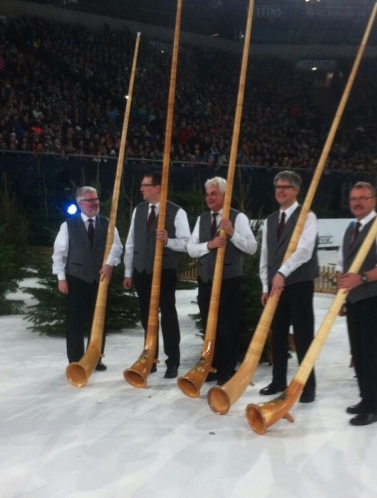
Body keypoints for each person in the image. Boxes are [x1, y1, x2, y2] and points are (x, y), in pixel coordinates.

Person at [336, 181, 377, 426]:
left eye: (363, 198)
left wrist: (361, 278)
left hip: (375, 296)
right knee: (358, 352)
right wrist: (341, 295)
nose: (357, 202)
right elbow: (342, 265)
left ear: (374, 201)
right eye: (353, 198)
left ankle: (373, 407)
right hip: (354, 297)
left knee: (370, 353)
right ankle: (365, 399)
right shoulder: (350, 229)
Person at [187, 176, 258, 384]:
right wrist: (209, 245)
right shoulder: (202, 219)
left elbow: (252, 247)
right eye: (207, 194)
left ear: (224, 196)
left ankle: (228, 368)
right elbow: (191, 249)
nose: (209, 198)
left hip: (229, 280)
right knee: (210, 325)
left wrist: (232, 233)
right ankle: (213, 365)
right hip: (206, 280)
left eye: (214, 194)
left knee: (228, 326)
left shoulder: (238, 217)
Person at [123, 172, 190, 378]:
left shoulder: (177, 212)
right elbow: (131, 241)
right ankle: (149, 357)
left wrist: (169, 240)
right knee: (146, 316)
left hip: (164, 271)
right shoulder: (139, 210)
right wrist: (128, 271)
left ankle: (173, 361)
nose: (142, 189)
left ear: (158, 188)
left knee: (168, 315)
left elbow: (187, 243)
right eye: (142, 185)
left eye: (146, 185)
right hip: (142, 270)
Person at [259, 170, 318, 403]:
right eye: (277, 187)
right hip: (275, 286)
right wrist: (265, 285)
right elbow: (266, 255)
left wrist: (283, 272)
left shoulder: (307, 217)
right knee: (279, 336)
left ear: (296, 190)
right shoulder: (271, 220)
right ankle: (278, 380)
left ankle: (307, 384)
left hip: (299, 283)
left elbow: (304, 250)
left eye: (286, 187)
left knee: (303, 337)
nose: (280, 190)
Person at [52, 186, 123, 369]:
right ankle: (76, 362)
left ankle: (95, 358)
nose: (94, 203)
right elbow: (59, 254)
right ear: (80, 203)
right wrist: (61, 278)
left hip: (100, 280)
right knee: (74, 322)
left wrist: (109, 263)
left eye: (96, 199)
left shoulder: (108, 223)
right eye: (89, 200)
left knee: (98, 321)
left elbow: (117, 247)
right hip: (75, 279)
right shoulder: (68, 225)